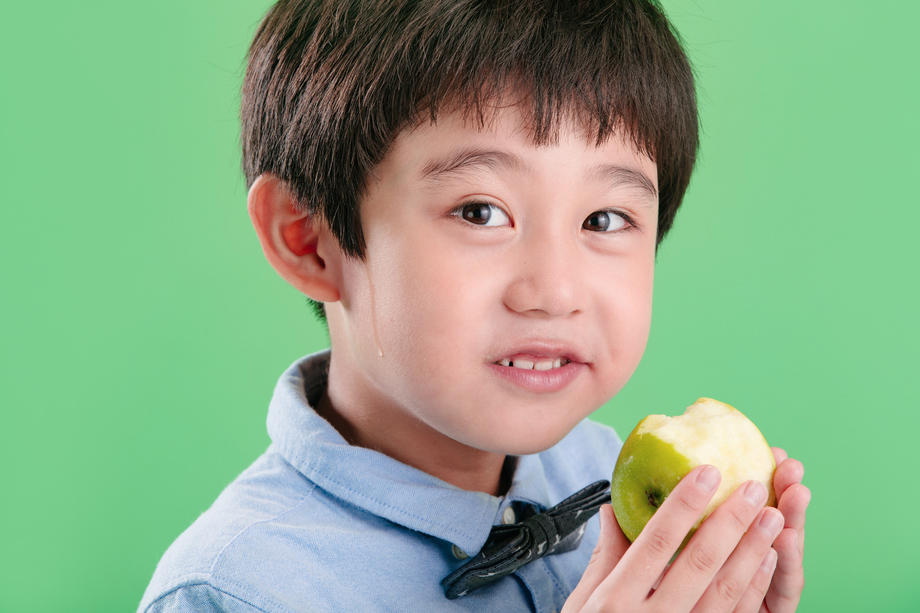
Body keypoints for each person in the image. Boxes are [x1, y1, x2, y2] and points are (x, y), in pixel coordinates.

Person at [138, 0, 810, 611]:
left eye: (604, 219)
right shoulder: (239, 590)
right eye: (481, 211)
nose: (555, 290)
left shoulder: (602, 470)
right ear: (310, 240)